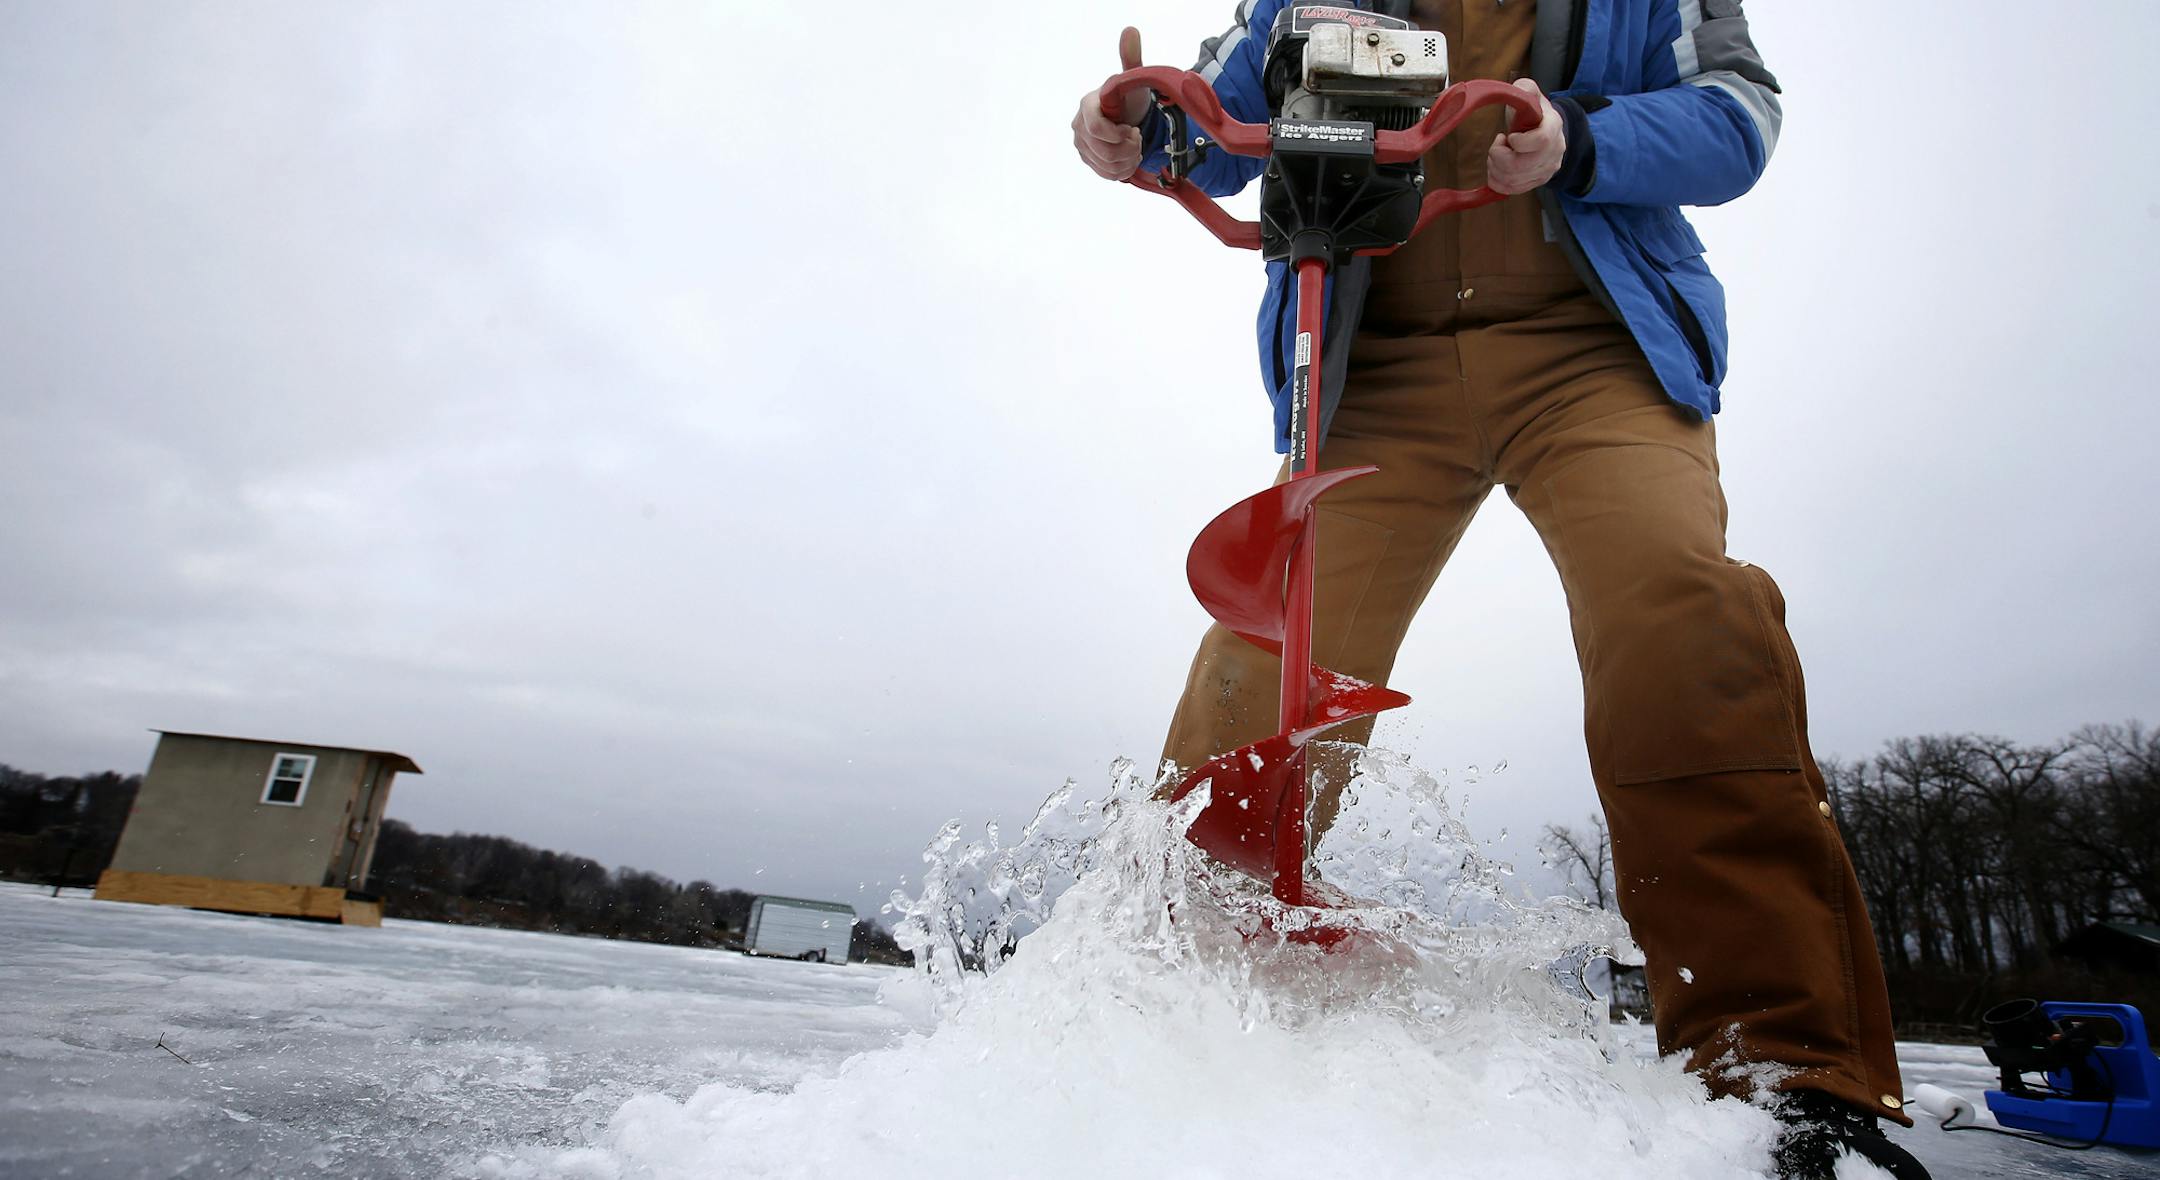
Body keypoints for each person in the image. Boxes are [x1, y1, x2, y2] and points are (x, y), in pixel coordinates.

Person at [1072, 3, 1929, 1178]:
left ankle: (1783, 1071)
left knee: (1678, 609)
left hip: (1592, 354)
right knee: (1263, 657)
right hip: (1376, 368)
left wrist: (1579, 136)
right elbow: (1220, 119)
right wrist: (1145, 127)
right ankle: (1165, 1024)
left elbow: (1739, 118)